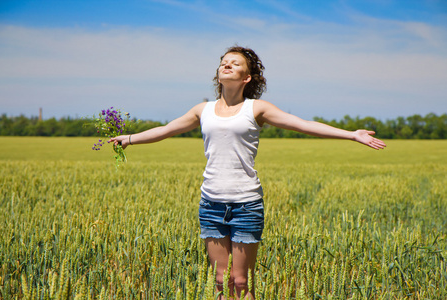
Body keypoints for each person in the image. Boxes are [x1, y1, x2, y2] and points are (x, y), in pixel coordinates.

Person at [110, 46, 386, 299]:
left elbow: (302, 124)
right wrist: (130, 138)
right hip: (211, 204)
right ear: (218, 74)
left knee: (241, 282)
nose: (226, 65)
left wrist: (351, 134)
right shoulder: (202, 110)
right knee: (219, 281)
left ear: (247, 78)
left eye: (235, 63)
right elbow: (165, 130)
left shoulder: (257, 109)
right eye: (223, 62)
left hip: (246, 205)